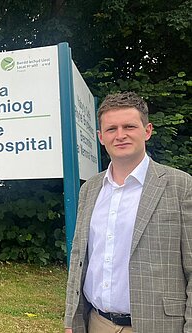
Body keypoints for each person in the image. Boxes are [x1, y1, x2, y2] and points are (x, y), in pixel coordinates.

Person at [64, 92, 191, 332]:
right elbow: (80, 257)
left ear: (147, 130)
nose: (120, 135)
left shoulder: (181, 186)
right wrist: (72, 318)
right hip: (97, 323)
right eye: (111, 129)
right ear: (101, 137)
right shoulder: (90, 189)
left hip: (159, 325)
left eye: (129, 126)